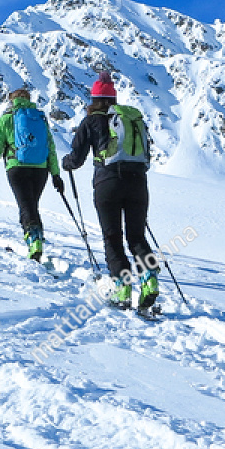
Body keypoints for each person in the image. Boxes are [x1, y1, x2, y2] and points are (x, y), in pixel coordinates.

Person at [61, 72, 158, 309]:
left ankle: (123, 288)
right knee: (136, 236)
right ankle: (149, 279)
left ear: (94, 98)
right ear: (113, 99)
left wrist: (65, 163)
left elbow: (77, 158)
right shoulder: (130, 119)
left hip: (107, 183)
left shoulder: (91, 121)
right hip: (137, 182)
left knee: (112, 236)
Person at [0, 87, 63, 260]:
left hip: (17, 167)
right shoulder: (39, 118)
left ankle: (34, 240)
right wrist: (55, 174)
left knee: (25, 205)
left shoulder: (7, 118)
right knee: (32, 203)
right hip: (41, 169)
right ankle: (37, 237)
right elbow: (50, 147)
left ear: (12, 100)